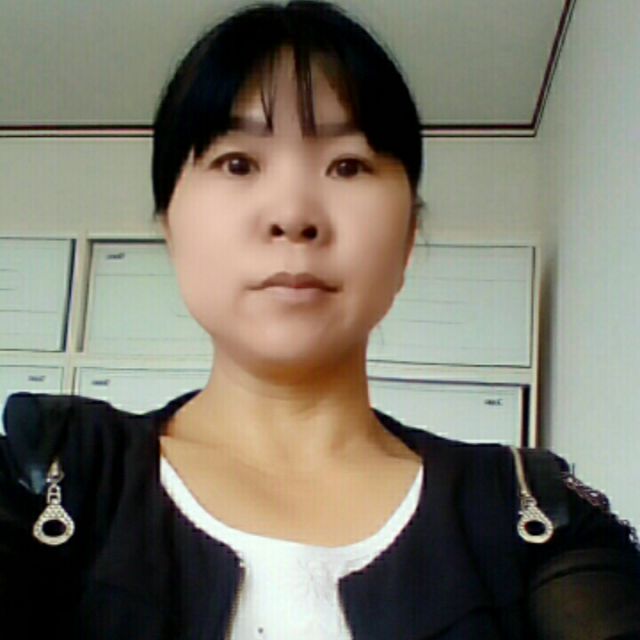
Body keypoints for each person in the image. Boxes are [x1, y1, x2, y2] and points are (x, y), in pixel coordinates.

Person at [1, 2, 639, 638]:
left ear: (408, 236)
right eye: (238, 163)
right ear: (170, 226)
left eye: (348, 165)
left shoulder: (530, 515)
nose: (293, 214)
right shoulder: (49, 479)